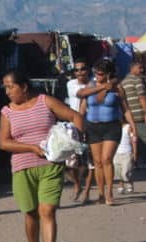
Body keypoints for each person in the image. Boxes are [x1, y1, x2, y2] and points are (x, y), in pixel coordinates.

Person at [0, 69, 84, 242]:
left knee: (47, 211)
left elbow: (75, 116)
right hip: (22, 168)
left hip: (50, 166)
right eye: (5, 88)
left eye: (11, 86)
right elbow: (3, 143)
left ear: (24, 86)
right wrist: (31, 148)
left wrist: (75, 144)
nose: (7, 91)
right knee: (30, 214)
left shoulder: (45, 101)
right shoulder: (7, 112)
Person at [76, 58, 136, 206]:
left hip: (112, 126)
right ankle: (101, 194)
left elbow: (125, 108)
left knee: (106, 159)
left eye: (101, 74)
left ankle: (109, 192)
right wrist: (103, 87)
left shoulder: (117, 88)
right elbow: (81, 104)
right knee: (97, 162)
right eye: (96, 73)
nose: (97, 76)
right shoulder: (91, 86)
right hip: (93, 127)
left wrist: (133, 125)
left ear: (108, 73)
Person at [64, 58, 95, 203]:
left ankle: (87, 191)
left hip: (93, 123)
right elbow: (82, 93)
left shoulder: (95, 81)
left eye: (82, 69)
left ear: (88, 70)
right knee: (71, 161)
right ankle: (77, 185)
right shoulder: (71, 84)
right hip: (74, 125)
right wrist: (101, 86)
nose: (80, 72)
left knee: (91, 161)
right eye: (77, 70)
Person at [121, 60, 146, 168]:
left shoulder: (124, 81)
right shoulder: (137, 80)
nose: (142, 70)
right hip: (139, 114)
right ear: (133, 68)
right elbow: (142, 97)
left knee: (134, 140)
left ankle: (136, 162)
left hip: (130, 116)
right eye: (140, 68)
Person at [113, 116, 137, 194]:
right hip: (116, 153)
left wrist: (134, 153)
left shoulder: (128, 127)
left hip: (127, 152)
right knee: (118, 172)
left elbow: (133, 141)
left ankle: (129, 183)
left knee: (125, 171)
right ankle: (121, 185)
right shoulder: (114, 128)